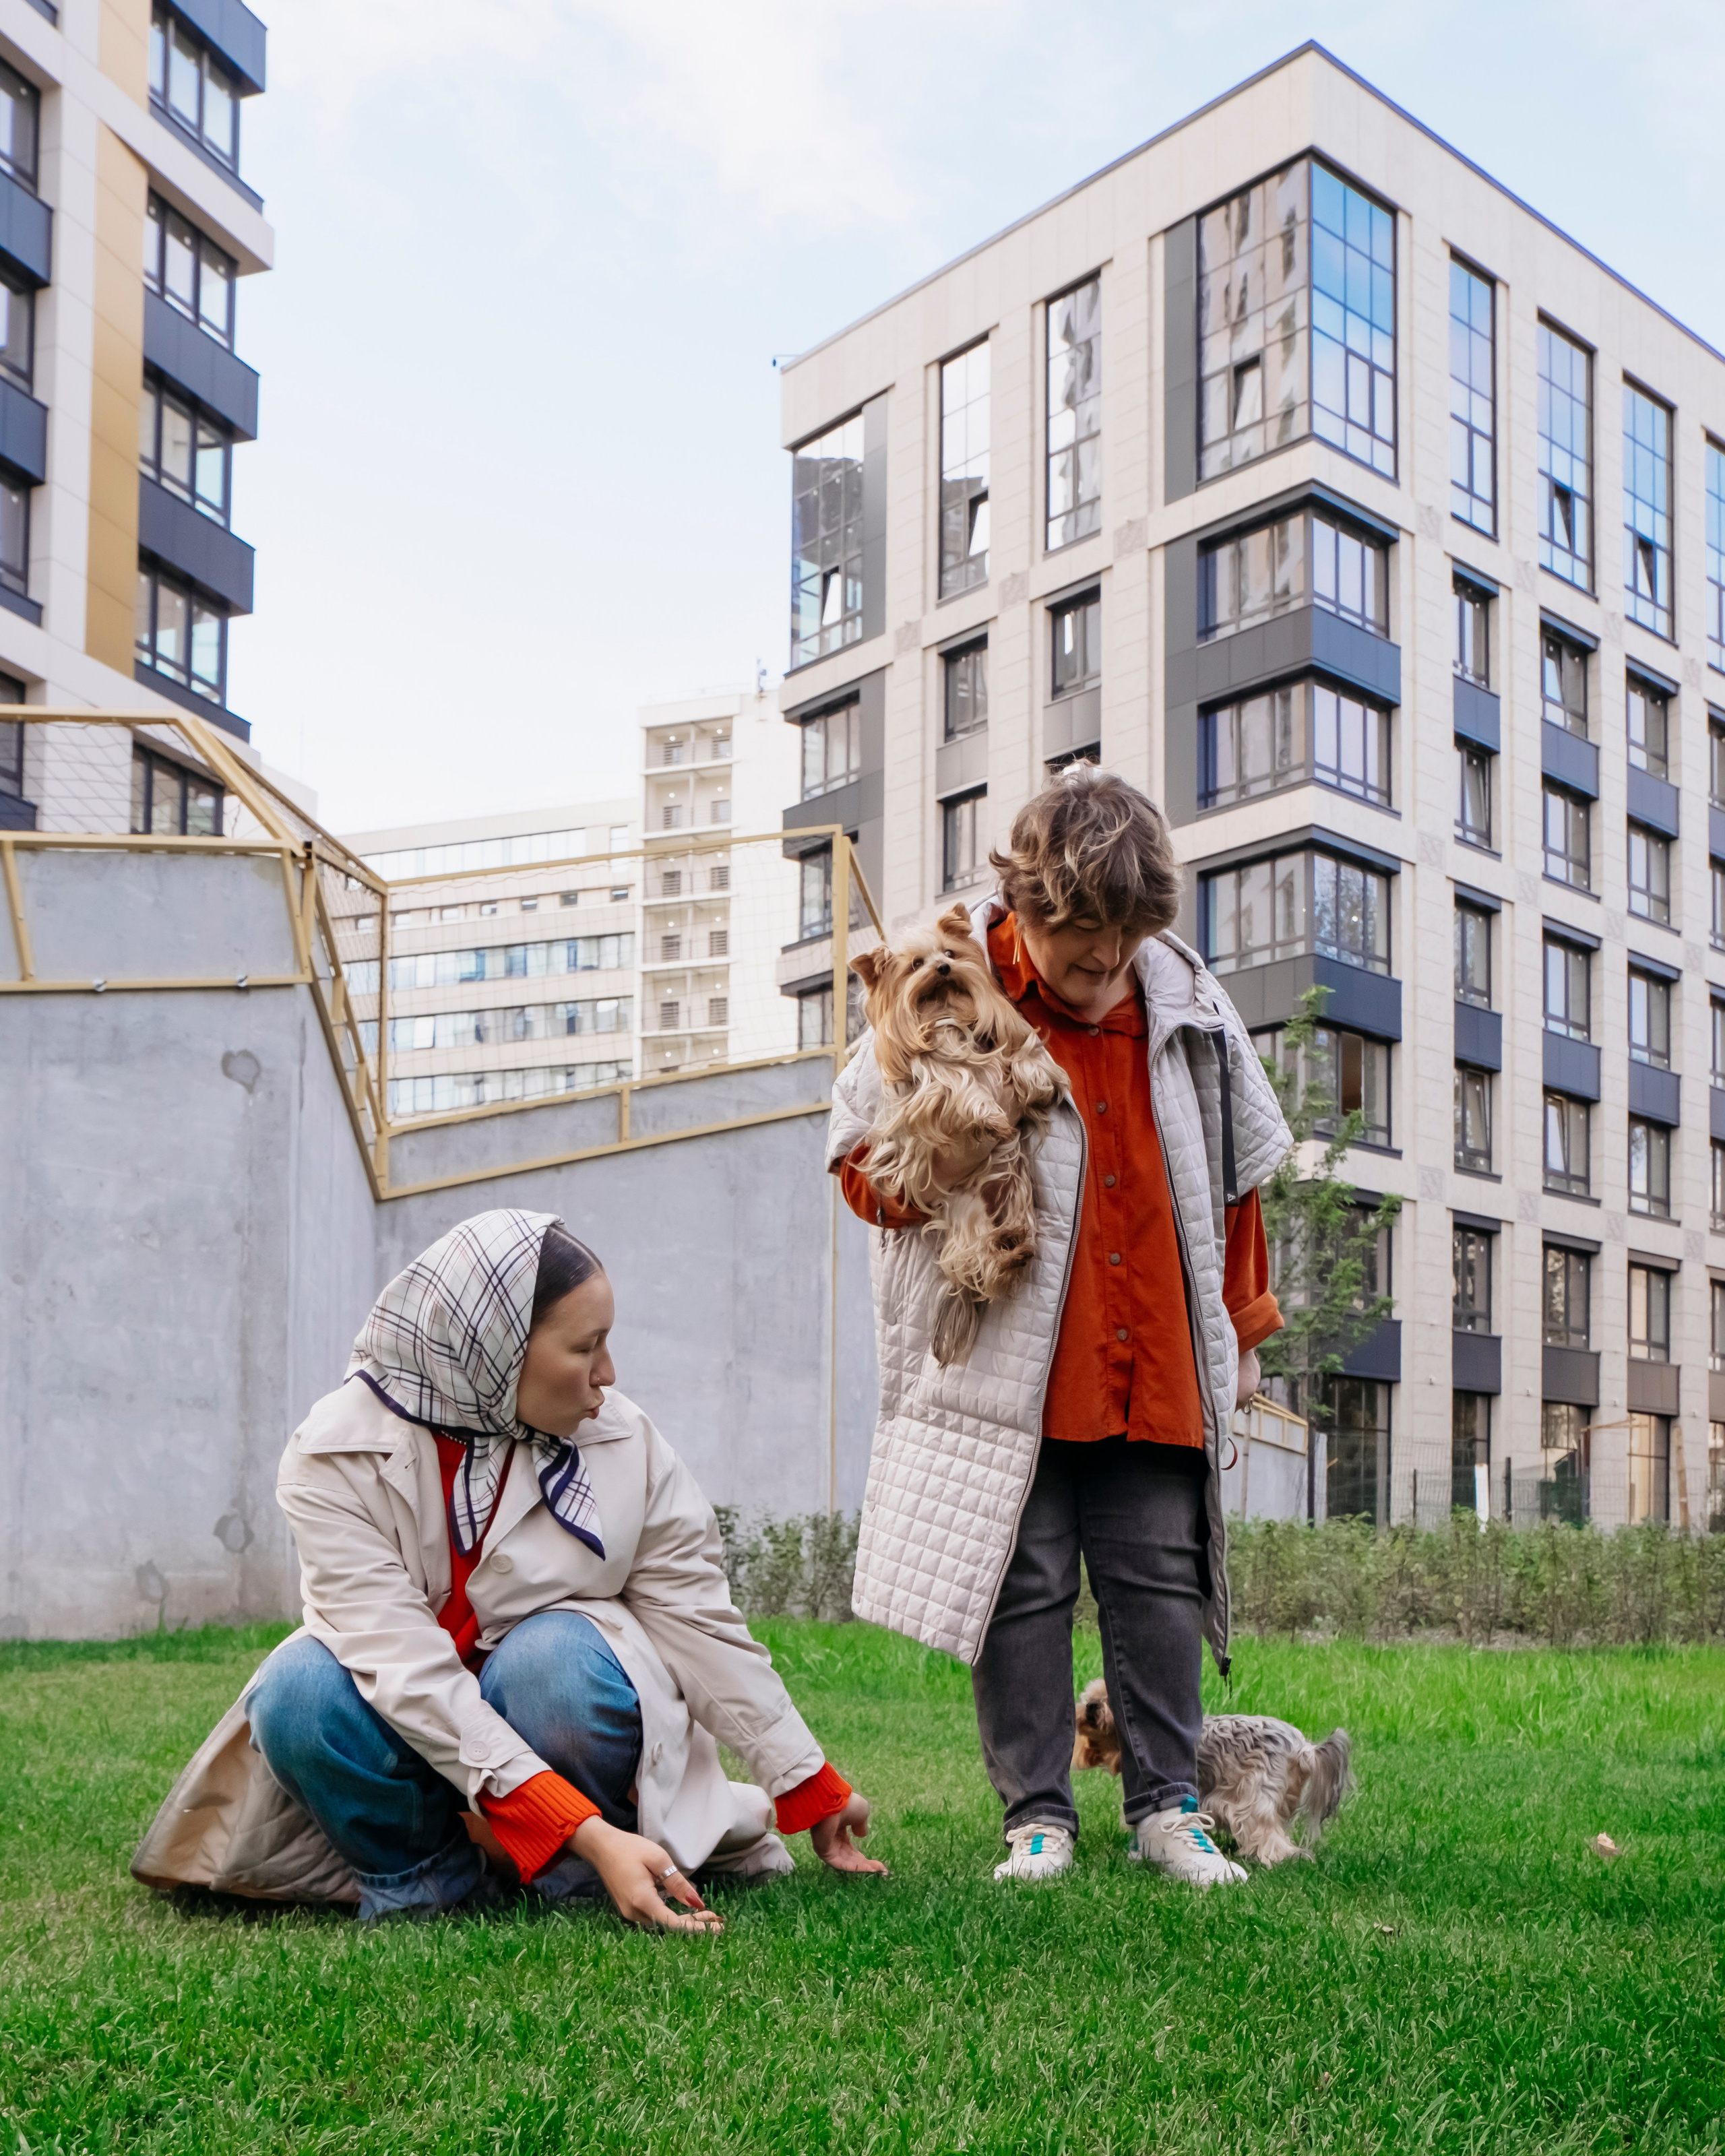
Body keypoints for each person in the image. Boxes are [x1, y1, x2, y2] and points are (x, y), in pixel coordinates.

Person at [133, 1209, 884, 1930]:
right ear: (493, 1350)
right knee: (297, 1689)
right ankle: (425, 1882)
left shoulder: (624, 1439)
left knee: (550, 1660)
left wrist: (806, 1782)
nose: (608, 1374)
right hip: (421, 1731)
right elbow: (406, 1670)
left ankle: (582, 1883)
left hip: (556, 1716)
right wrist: (583, 1829)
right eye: (585, 1346)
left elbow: (697, 1619)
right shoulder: (329, 1455)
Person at [829, 765, 1291, 1889]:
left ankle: (1167, 1809)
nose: (1102, 972)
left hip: (1155, 1355)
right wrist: (930, 1164)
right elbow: (859, 1169)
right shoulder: (939, 992)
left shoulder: (1184, 999)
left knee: (1159, 1587)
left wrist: (1242, 1333)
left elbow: (1237, 1184)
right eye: (1079, 950)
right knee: (1021, 1586)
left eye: (1121, 948)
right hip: (1012, 1363)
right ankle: (1038, 1818)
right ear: (1024, 913)